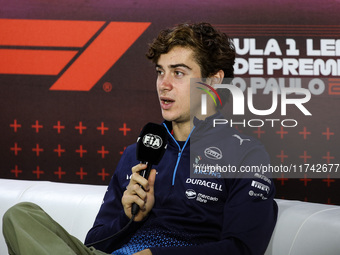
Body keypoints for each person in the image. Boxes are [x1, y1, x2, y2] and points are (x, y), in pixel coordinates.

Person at [2, 22, 277, 255]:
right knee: (21, 215)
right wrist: (129, 217)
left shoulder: (246, 155)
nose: (163, 84)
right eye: (160, 72)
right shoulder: (137, 152)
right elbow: (94, 243)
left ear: (214, 81)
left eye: (178, 73)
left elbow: (242, 248)